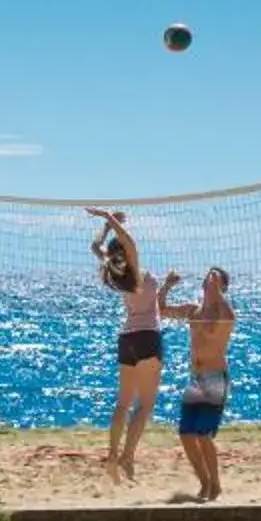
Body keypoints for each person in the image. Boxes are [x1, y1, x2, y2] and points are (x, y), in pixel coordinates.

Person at [89, 210, 165, 482]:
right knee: (144, 405)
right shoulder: (133, 271)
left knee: (123, 403)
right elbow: (130, 243)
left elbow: (95, 247)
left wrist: (107, 227)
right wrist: (112, 220)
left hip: (127, 339)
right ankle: (127, 457)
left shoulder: (115, 272)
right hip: (147, 337)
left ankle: (112, 455)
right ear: (126, 254)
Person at [157, 267, 235, 502]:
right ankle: (205, 483)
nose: (208, 284)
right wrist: (167, 285)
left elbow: (227, 319)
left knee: (203, 434)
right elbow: (161, 310)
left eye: (214, 281)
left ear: (222, 287)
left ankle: (216, 484)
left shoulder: (224, 312)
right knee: (186, 434)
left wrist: (217, 290)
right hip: (196, 379)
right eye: (206, 281)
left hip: (215, 377)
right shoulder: (194, 311)